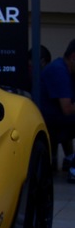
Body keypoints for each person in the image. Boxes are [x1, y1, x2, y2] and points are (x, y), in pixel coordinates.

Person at [39, 38, 75, 181]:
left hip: (56, 120)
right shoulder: (59, 70)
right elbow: (67, 108)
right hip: (50, 122)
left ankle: (69, 159)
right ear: (73, 57)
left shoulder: (67, 70)